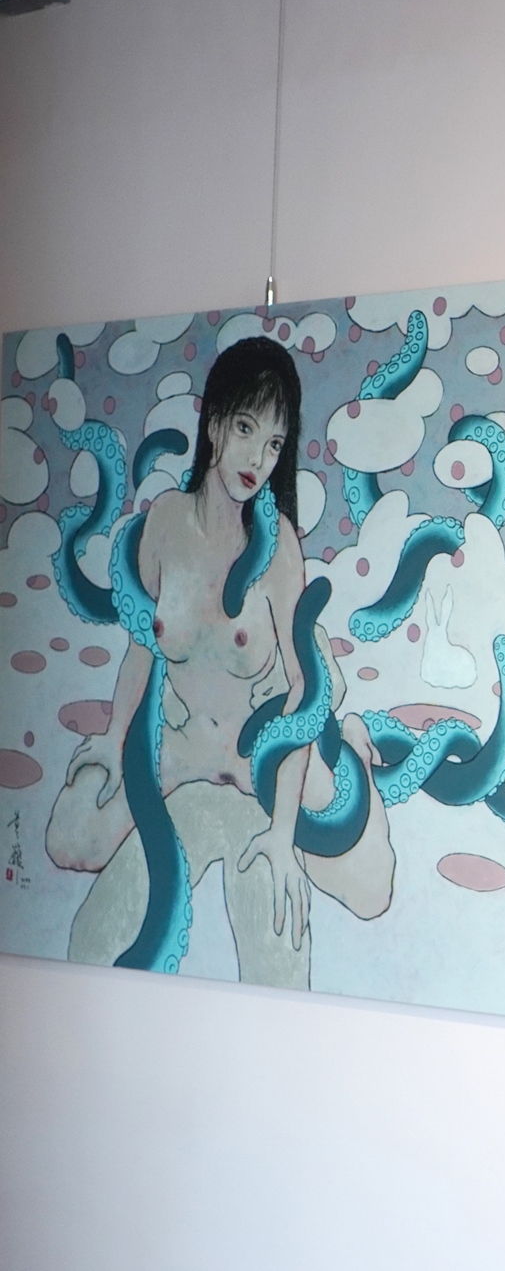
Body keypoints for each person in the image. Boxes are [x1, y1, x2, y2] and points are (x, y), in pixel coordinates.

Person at [44, 337, 394, 985]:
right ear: (213, 425)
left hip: (264, 758)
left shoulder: (278, 546)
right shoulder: (163, 523)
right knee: (70, 837)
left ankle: (348, 740)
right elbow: (144, 642)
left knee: (371, 889)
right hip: (186, 748)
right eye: (246, 429)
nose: (258, 458)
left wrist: (283, 832)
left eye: (275, 444)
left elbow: (301, 689)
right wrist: (115, 736)